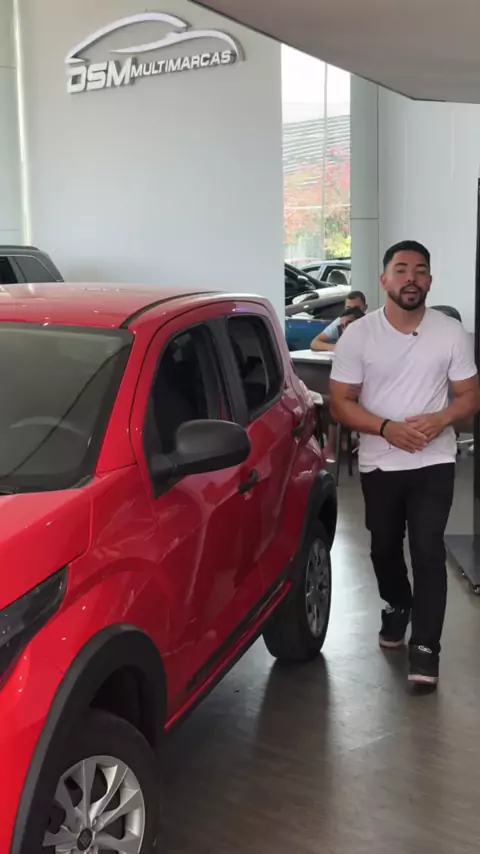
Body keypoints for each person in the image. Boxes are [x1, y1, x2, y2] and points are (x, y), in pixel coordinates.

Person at [329, 240, 479, 688]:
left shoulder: (450, 332)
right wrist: (385, 428)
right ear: (384, 280)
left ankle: (426, 648)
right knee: (383, 547)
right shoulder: (359, 334)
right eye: (401, 269)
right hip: (381, 461)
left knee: (428, 550)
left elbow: (470, 394)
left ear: (429, 281)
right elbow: (339, 403)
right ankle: (397, 603)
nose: (411, 278)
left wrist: (442, 418)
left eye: (420, 270)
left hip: (435, 459)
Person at [323, 306, 365, 461]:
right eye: (342, 326)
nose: (345, 329)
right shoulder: (347, 346)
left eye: (349, 324)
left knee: (335, 403)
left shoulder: (373, 344)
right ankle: (340, 443)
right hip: (353, 395)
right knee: (329, 402)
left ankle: (332, 447)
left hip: (370, 397)